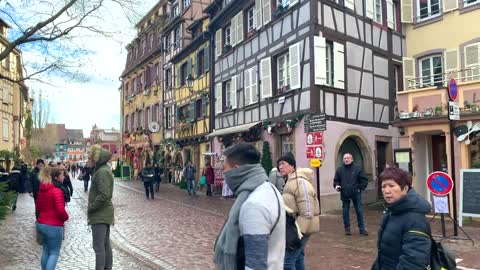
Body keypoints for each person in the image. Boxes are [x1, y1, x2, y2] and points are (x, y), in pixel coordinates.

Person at [214, 143, 285, 270]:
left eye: (224, 169)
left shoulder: (254, 204)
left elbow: (256, 263)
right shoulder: (268, 188)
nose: (224, 174)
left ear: (237, 169)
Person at [372, 166, 432, 270]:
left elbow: (414, 261)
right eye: (383, 186)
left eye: (391, 186)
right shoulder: (391, 211)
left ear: (405, 189)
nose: (386, 191)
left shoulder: (415, 220)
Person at [278, 153, 320, 270]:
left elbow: (307, 211)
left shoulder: (300, 182)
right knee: (298, 258)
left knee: (287, 262)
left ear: (292, 165)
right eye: (279, 164)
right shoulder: (288, 182)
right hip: (294, 226)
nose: (280, 167)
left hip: (300, 228)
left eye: (283, 164)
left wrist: (298, 233)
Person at [36, 167, 69, 270]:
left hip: (41, 224)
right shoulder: (57, 191)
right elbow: (60, 211)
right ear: (55, 177)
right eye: (61, 175)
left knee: (46, 250)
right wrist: (66, 217)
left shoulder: (42, 190)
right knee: (54, 253)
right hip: (53, 226)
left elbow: (38, 208)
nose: (63, 177)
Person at [87, 145, 114, 270]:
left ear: (95, 159)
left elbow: (104, 195)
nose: (88, 161)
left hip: (100, 214)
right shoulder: (102, 170)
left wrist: (92, 207)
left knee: (99, 246)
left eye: (90, 159)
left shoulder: (102, 172)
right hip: (103, 213)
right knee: (104, 244)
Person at [333, 153, 369, 235]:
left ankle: (362, 229)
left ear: (352, 159)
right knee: (345, 211)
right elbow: (336, 180)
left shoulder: (357, 169)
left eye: (348, 158)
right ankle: (347, 229)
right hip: (344, 193)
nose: (346, 159)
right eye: (345, 158)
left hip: (355, 193)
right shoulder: (340, 169)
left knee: (359, 211)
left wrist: (359, 188)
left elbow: (364, 180)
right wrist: (337, 186)